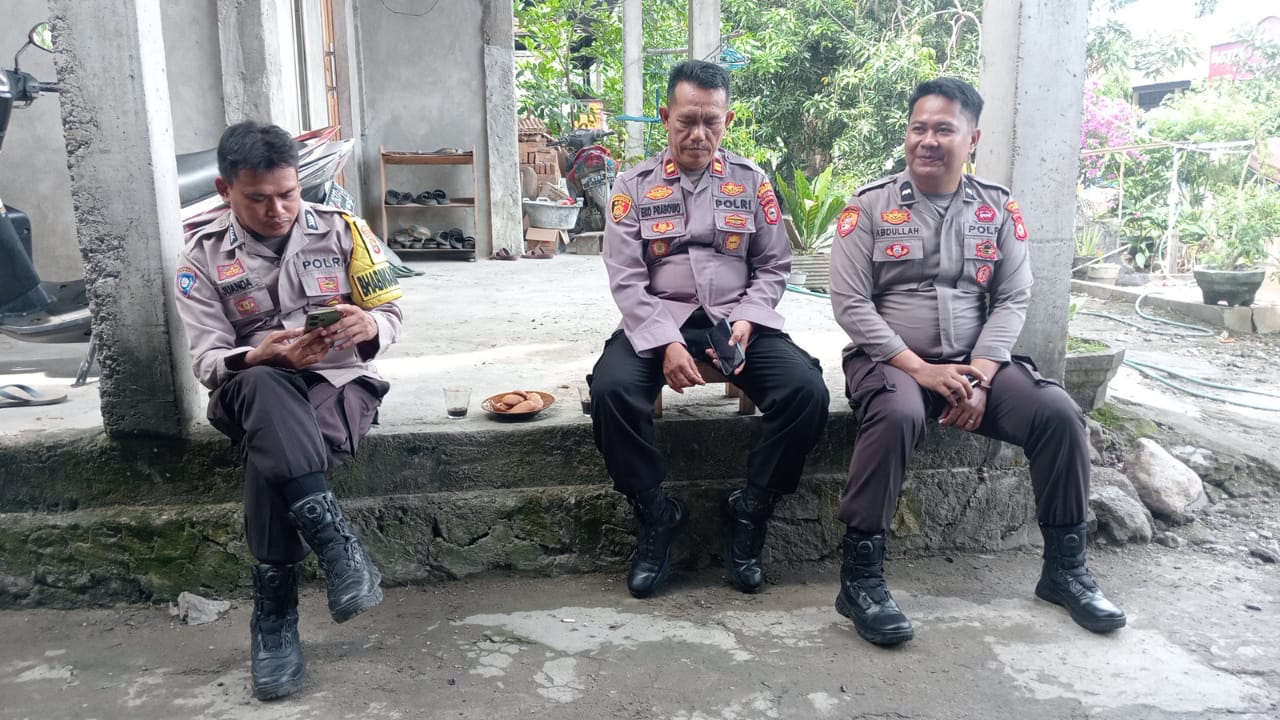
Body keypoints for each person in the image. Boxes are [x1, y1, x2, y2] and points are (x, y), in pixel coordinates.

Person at [827, 77, 1125, 646]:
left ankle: (1065, 571)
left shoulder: (997, 208)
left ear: (973, 139)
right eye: (918, 128)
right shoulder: (868, 207)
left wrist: (982, 374)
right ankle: (860, 580)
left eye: (944, 129)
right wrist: (921, 370)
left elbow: (1013, 296)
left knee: (1058, 413)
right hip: (890, 361)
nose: (928, 140)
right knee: (897, 415)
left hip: (976, 364)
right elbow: (850, 303)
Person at [174, 122, 402, 700]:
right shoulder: (201, 257)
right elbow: (208, 362)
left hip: (337, 386)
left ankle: (274, 619)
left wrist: (370, 323)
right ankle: (337, 548)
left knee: (268, 453)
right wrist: (260, 353)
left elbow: (392, 314)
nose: (277, 210)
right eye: (258, 198)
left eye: (288, 194)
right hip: (250, 391)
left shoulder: (345, 231)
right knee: (265, 385)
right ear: (225, 189)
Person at [589, 60, 830, 599]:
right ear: (664, 117)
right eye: (686, 120)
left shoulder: (751, 182)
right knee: (610, 392)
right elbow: (626, 277)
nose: (698, 133)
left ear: (728, 120)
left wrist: (749, 317)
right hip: (659, 319)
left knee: (806, 392)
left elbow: (773, 266)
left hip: (735, 321)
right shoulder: (632, 186)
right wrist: (665, 342)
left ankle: (751, 508)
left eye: (711, 121)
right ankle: (656, 513)